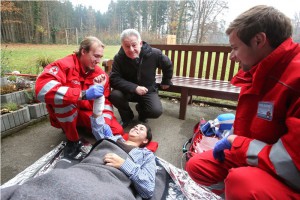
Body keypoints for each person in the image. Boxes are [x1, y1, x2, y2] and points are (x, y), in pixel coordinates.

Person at [185, 5, 300, 199]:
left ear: (259, 40)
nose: (231, 57)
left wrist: (236, 143)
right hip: (260, 157)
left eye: (235, 48)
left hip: (289, 176)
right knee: (197, 165)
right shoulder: (259, 72)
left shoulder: (294, 80)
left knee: (241, 182)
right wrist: (232, 133)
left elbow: (292, 163)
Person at [1, 76, 156, 200]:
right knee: (44, 184)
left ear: (145, 141)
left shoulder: (145, 155)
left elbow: (148, 189)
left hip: (110, 183)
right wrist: (99, 96)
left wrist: (124, 164)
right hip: (83, 171)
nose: (136, 127)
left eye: (141, 129)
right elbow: (98, 125)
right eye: (136, 126)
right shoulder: (114, 138)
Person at [35, 36, 123, 160]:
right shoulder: (64, 66)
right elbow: (41, 89)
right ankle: (73, 140)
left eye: (100, 57)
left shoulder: (100, 75)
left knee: (116, 130)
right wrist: (83, 94)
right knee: (65, 102)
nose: (98, 61)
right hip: (67, 112)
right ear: (83, 51)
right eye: (96, 56)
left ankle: (79, 127)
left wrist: (103, 123)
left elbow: (106, 102)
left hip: (86, 114)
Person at [109, 29, 173, 128]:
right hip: (127, 90)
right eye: (127, 46)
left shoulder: (155, 54)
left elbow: (167, 65)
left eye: (134, 45)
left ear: (140, 43)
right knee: (114, 95)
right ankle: (127, 117)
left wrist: (166, 80)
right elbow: (114, 78)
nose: (131, 49)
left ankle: (141, 112)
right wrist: (134, 88)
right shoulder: (119, 58)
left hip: (148, 89)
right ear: (122, 46)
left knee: (156, 111)